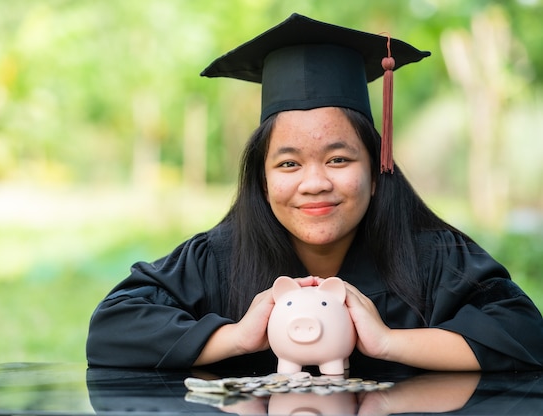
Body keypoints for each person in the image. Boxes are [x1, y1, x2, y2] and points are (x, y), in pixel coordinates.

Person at [86, 13, 543, 374]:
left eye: (339, 159)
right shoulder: (218, 256)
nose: (314, 182)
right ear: (260, 178)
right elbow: (113, 329)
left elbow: (525, 333)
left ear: (378, 166)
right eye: (288, 163)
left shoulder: (432, 255)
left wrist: (388, 342)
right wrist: (239, 336)